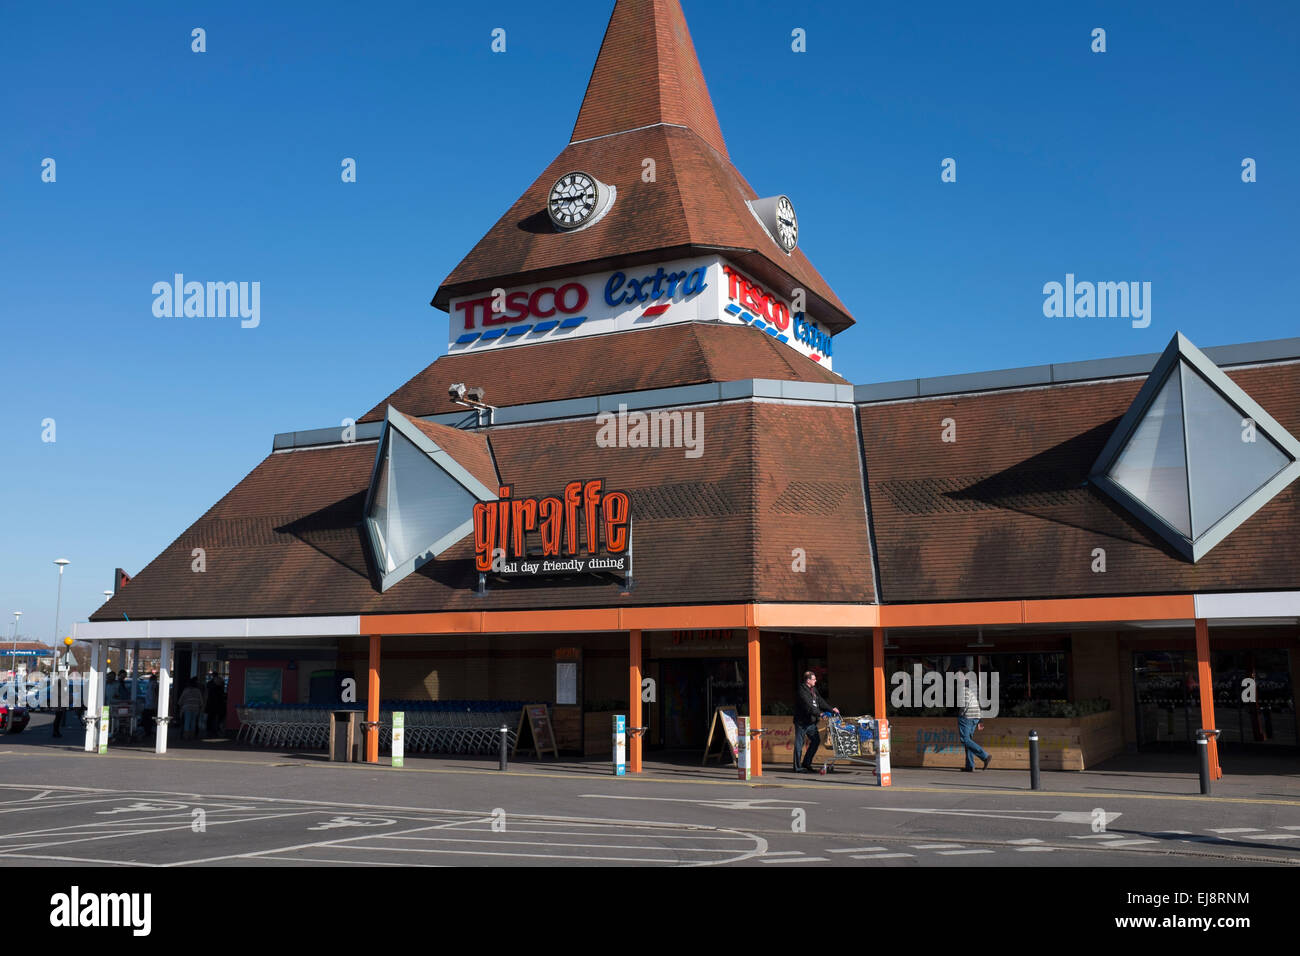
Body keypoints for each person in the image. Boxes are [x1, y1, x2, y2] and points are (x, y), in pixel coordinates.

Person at [793, 670, 838, 773]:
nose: (816, 681)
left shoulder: (813, 689)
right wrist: (820, 714)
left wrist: (831, 709)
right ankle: (797, 767)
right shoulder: (802, 691)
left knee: (816, 741)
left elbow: (820, 701)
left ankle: (806, 763)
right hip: (801, 722)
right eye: (814, 679)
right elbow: (808, 706)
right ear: (808, 680)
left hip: (811, 722)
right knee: (799, 744)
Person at [957, 671, 991, 772]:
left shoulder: (964, 687)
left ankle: (985, 756)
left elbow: (965, 703)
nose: (957, 678)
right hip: (976, 715)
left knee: (965, 740)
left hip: (967, 716)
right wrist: (980, 719)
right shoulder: (974, 686)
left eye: (959, 676)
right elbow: (979, 702)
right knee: (969, 740)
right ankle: (970, 765)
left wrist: (960, 714)